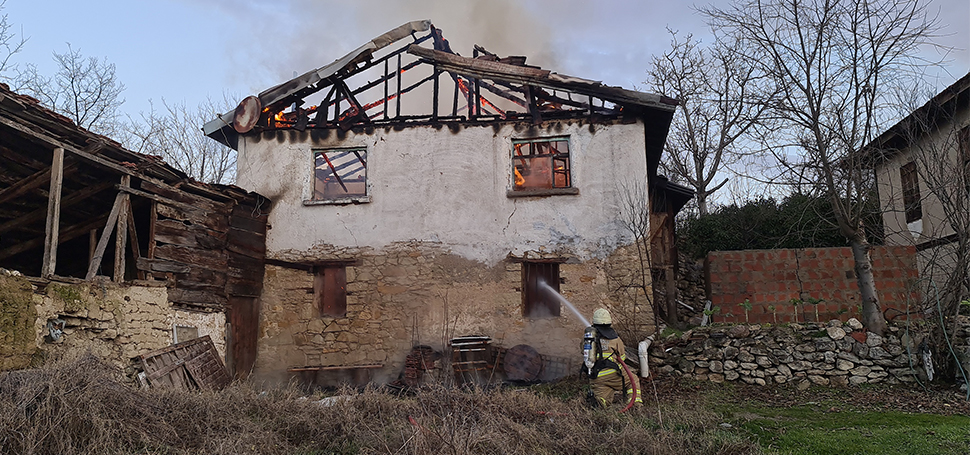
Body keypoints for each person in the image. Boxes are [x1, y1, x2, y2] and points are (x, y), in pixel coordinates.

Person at [583, 308, 642, 408]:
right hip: (613, 374)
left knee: (602, 400)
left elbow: (583, 352)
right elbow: (622, 357)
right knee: (633, 380)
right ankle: (635, 403)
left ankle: (599, 401)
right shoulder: (615, 339)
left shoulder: (588, 338)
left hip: (596, 376)